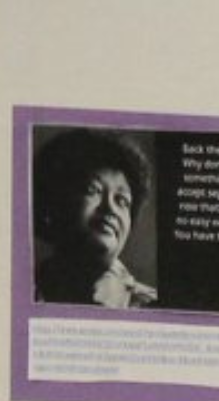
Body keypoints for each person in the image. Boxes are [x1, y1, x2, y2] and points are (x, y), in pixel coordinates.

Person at [28, 128, 159, 309]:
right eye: (93, 190)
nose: (110, 208)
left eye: (122, 200)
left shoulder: (153, 305)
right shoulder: (18, 289)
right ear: (55, 202)